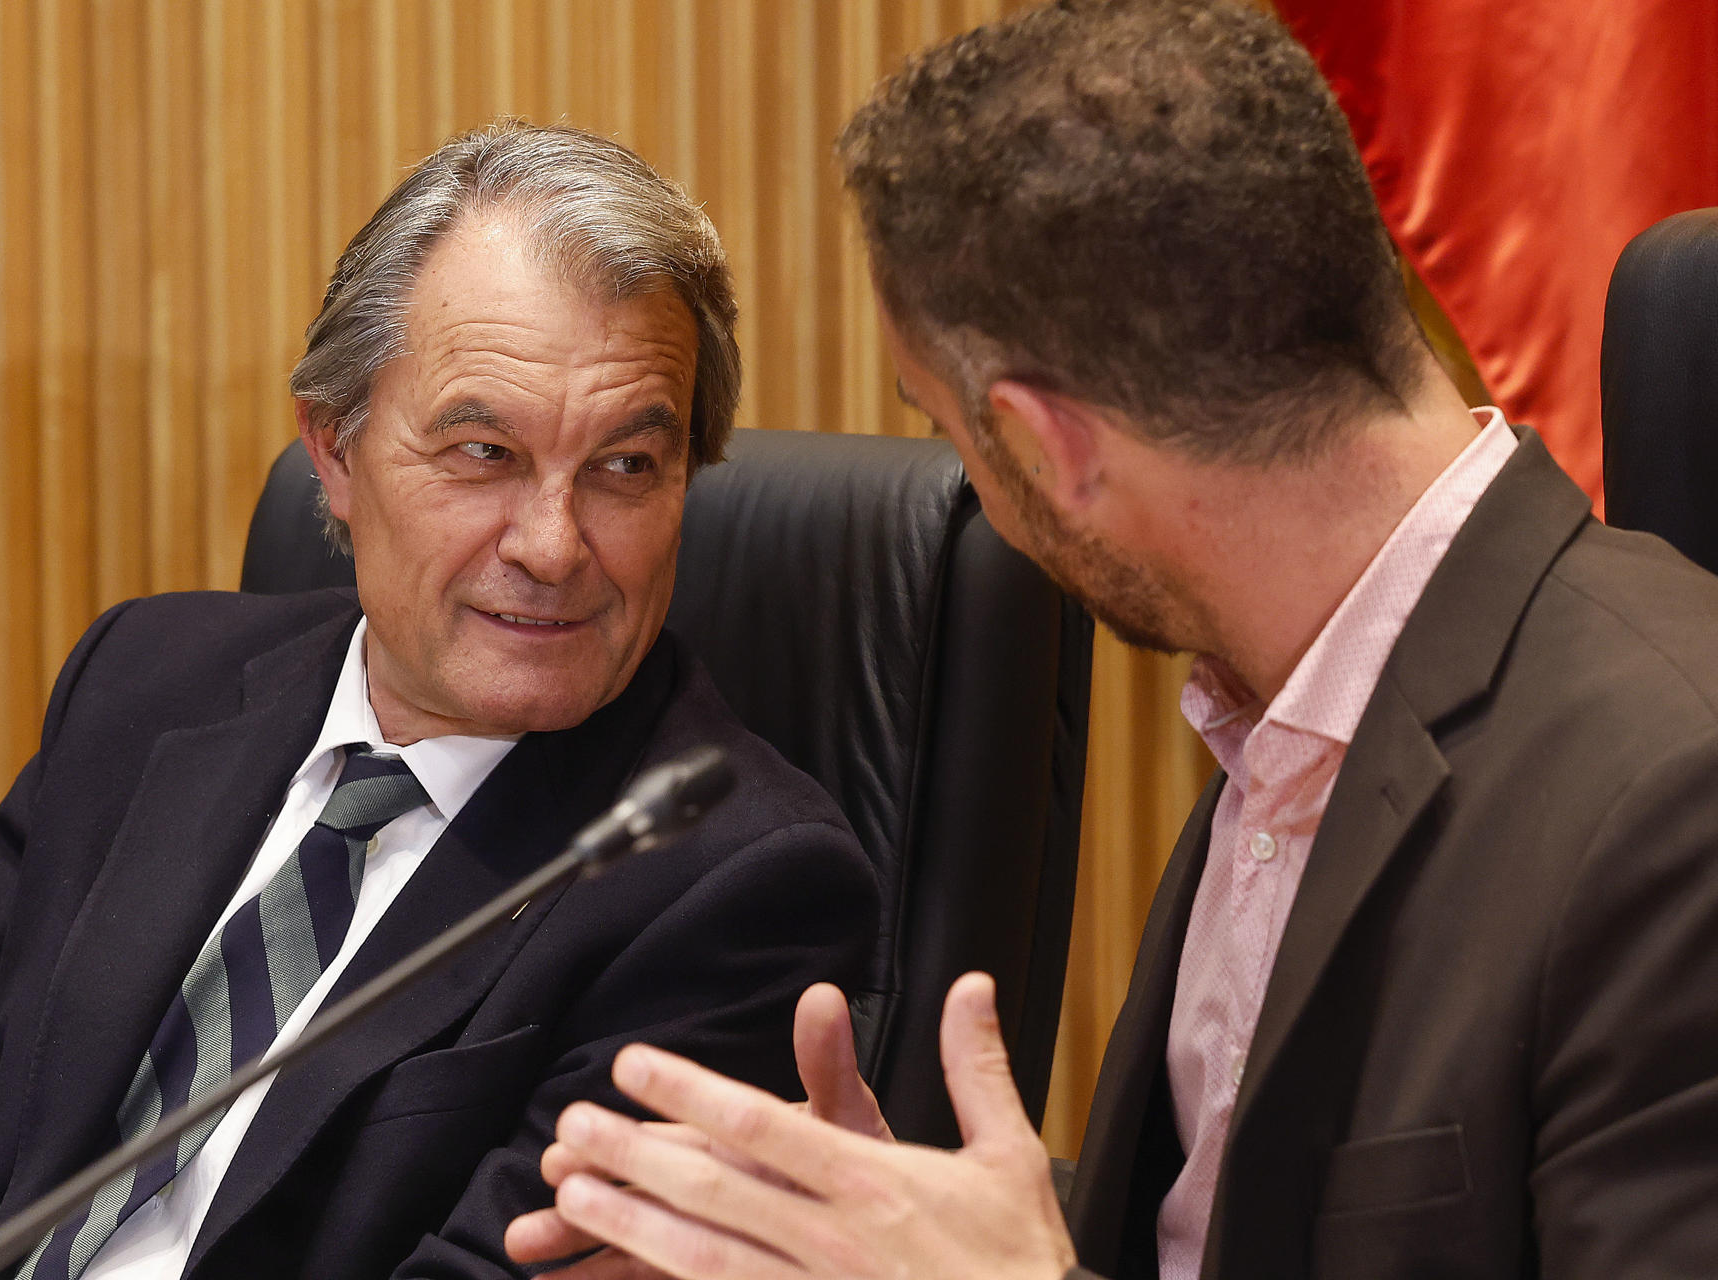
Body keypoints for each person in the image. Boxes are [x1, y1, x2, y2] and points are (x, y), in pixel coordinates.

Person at [505, 2, 1718, 1278]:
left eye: (944, 421)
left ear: (1052, 446)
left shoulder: (1674, 808)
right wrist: (869, 1226)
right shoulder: (1293, 701)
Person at [0, 121, 877, 1280]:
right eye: (483, 452)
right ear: (337, 452)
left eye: (625, 467)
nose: (556, 545)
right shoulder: (148, 680)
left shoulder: (741, 888)